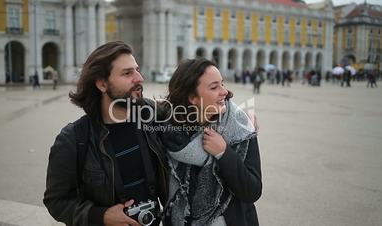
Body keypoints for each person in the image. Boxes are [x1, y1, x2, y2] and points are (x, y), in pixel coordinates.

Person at [43, 41, 168, 226]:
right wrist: (100, 216)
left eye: (137, 70)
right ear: (102, 84)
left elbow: (192, 111)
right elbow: (56, 201)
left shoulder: (150, 115)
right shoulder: (73, 139)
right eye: (127, 73)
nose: (139, 78)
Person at [160, 58, 262, 226]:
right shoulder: (168, 130)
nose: (224, 92)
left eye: (222, 84)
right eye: (214, 87)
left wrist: (224, 153)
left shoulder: (239, 127)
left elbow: (252, 191)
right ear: (192, 97)